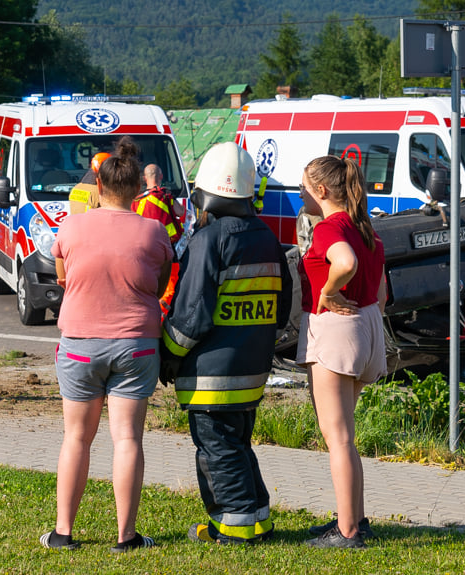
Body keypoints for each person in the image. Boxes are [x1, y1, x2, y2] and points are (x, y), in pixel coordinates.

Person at [41, 138, 172, 553]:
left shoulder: (73, 225)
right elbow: (161, 277)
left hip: (80, 343)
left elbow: (62, 274)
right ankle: (126, 536)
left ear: (97, 184)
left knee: (76, 438)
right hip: (136, 345)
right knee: (127, 439)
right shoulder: (152, 229)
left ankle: (63, 532)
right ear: (138, 189)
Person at [160, 142, 292, 545]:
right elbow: (282, 309)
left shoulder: (209, 240)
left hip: (212, 375)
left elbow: (191, 314)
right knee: (238, 445)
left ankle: (234, 529)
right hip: (252, 369)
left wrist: (168, 355)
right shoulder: (267, 237)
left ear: (206, 195)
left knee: (217, 449)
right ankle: (259, 518)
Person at [296, 155, 387, 549]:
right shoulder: (366, 228)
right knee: (346, 435)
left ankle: (347, 531)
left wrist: (328, 292)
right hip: (368, 325)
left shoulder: (328, 229)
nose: (299, 193)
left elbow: (344, 262)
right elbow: (382, 290)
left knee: (338, 437)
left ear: (321, 191)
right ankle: (355, 518)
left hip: (337, 328)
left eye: (303, 187)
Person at [132, 163, 185, 315]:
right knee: (170, 284)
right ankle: (163, 314)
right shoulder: (166, 195)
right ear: (161, 176)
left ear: (144, 179)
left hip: (145, 249)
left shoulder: (136, 201)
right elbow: (181, 212)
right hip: (168, 248)